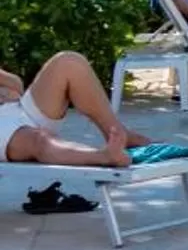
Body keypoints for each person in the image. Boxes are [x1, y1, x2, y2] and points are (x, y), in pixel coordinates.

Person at [2, 52, 150, 171]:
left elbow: (16, 86)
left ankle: (120, 134)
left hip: (16, 109)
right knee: (39, 139)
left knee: (68, 63)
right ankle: (104, 156)